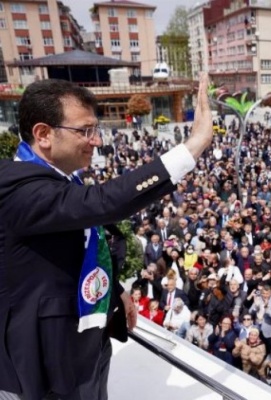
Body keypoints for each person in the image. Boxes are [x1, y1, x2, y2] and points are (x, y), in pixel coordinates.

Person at [0, 74, 213, 399]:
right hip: (49, 366)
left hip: (88, 342)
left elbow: (76, 256)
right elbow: (104, 203)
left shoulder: (60, 179)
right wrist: (193, 145)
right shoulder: (18, 190)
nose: (96, 140)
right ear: (43, 134)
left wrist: (115, 294)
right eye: (85, 131)